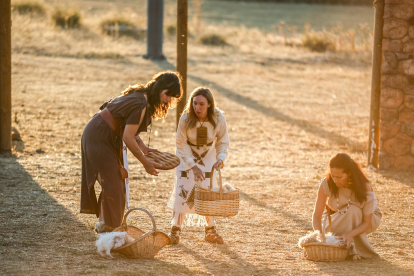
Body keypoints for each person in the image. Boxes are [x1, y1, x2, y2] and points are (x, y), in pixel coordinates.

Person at [80, 71, 183, 233]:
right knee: (114, 184)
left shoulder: (142, 96)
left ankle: (106, 226)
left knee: (116, 183)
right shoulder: (140, 104)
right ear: (160, 88)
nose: (169, 100)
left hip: (103, 134)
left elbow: (128, 128)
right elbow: (128, 137)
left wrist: (143, 147)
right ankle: (110, 230)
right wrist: (146, 163)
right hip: (99, 136)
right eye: (168, 94)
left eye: (173, 97)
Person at [166, 87, 230, 244]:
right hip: (185, 156)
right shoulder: (186, 118)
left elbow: (223, 141)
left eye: (201, 104)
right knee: (184, 189)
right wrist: (192, 165)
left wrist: (221, 158)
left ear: (209, 104)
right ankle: (175, 229)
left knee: (207, 190)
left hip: (209, 156)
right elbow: (180, 144)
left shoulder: (218, 118)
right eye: (194, 103)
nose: (197, 107)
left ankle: (210, 229)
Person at [312, 153, 382, 259]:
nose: (335, 180)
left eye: (339, 177)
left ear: (349, 173)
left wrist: (350, 234)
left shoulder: (364, 187)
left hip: (367, 219)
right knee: (329, 230)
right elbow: (317, 215)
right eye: (333, 176)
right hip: (340, 217)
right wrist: (319, 234)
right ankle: (341, 245)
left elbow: (367, 223)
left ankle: (353, 249)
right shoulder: (326, 184)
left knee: (353, 210)